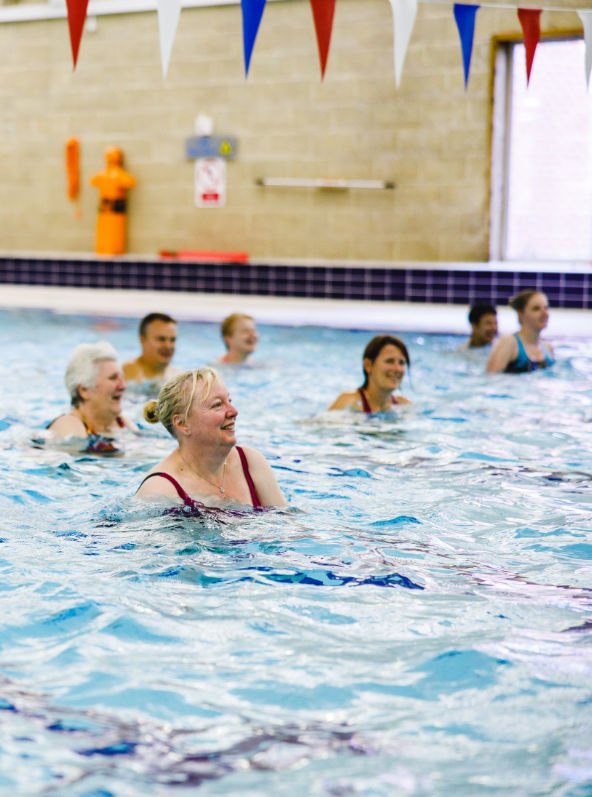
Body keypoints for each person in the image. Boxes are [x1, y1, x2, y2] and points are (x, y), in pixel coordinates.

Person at [135, 368, 286, 510]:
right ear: (182, 423)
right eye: (218, 405)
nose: (233, 412)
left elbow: (288, 525)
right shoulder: (160, 490)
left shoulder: (250, 462)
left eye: (229, 401)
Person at [47, 342, 134, 450]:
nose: (123, 386)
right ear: (84, 390)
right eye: (113, 378)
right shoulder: (68, 425)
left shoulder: (121, 423)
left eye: (122, 378)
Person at [328, 335, 411, 413]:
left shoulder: (404, 406)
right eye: (389, 361)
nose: (397, 369)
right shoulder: (348, 402)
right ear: (368, 365)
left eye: (402, 363)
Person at [486, 290, 555, 373]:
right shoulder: (509, 343)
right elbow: (490, 379)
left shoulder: (548, 348)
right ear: (521, 314)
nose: (545, 313)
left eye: (546, 308)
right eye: (536, 309)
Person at [123, 313, 179, 384]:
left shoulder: (177, 376)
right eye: (161, 339)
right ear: (143, 340)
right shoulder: (124, 375)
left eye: (172, 340)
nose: (168, 346)